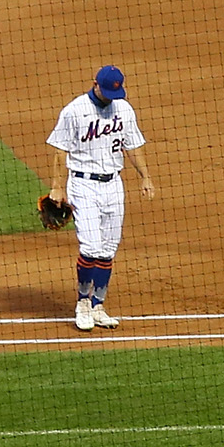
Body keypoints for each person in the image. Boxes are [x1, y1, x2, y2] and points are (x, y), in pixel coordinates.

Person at [46, 66, 154, 331]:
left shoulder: (123, 109)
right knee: (91, 248)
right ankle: (82, 303)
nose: (109, 98)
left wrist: (145, 176)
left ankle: (98, 305)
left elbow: (133, 144)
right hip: (83, 184)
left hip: (114, 184)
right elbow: (60, 152)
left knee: (107, 251)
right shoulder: (75, 110)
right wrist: (57, 188)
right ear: (94, 84)